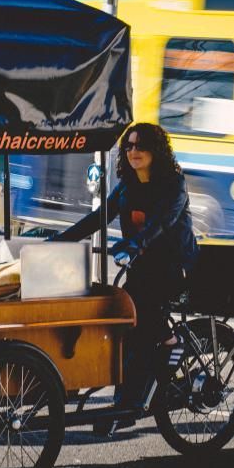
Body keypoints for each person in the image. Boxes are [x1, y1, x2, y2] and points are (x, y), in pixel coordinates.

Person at [52, 122, 199, 429]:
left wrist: (135, 244)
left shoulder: (174, 184)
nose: (133, 152)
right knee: (125, 329)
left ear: (156, 151)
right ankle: (123, 406)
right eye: (129, 146)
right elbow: (100, 216)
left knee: (143, 323)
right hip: (142, 266)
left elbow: (161, 222)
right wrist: (62, 240)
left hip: (173, 267)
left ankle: (172, 342)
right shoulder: (128, 185)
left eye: (140, 146)